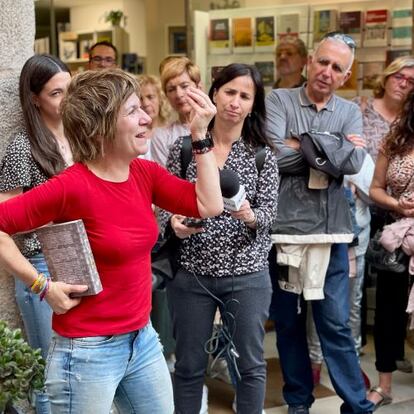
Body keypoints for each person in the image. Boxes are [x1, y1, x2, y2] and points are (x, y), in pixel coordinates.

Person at [0, 68, 223, 414]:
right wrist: (41, 285)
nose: (147, 117)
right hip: (87, 352)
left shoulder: (144, 174)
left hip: (143, 340)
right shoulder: (70, 186)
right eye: (132, 111)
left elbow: (209, 204)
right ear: (98, 126)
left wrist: (201, 137)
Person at [159, 63, 278, 414]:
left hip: (248, 275)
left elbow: (271, 215)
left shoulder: (261, 155)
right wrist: (174, 222)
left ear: (253, 105)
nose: (235, 102)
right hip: (192, 275)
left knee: (251, 366)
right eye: (229, 92)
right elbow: (164, 203)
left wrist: (253, 216)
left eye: (245, 96)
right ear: (213, 93)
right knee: (189, 367)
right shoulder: (185, 148)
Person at [265, 32, 374, 414]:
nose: (327, 72)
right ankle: (298, 402)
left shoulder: (349, 111)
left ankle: (356, 405)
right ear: (310, 61)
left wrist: (302, 143)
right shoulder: (277, 100)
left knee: (335, 325)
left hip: (333, 233)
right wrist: (332, 147)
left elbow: (355, 163)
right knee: (289, 327)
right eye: (323, 62)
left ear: (345, 76)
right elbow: (273, 158)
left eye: (337, 68)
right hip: (284, 232)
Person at [309, 55, 414, 384]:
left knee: (363, 295)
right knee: (352, 289)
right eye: (401, 77)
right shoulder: (359, 109)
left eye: (412, 82)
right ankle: (335, 358)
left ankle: (381, 356)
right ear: (387, 77)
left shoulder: (407, 121)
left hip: (390, 215)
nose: (405, 84)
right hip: (363, 210)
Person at [0, 53, 72, 414]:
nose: (66, 100)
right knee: (49, 369)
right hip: (39, 264)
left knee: (77, 365)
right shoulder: (22, 146)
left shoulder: (81, 134)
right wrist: (56, 217)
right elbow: (5, 218)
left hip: (80, 259)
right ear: (34, 98)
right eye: (56, 93)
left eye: (69, 90)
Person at [368, 88, 414, 410]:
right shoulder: (394, 141)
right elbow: (375, 189)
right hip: (395, 241)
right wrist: (398, 203)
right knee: (388, 314)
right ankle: (384, 386)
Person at [151, 57, 202, 167]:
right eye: (171, 89)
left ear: (199, 86)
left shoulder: (217, 128)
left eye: (184, 86)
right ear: (166, 95)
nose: (178, 94)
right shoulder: (162, 136)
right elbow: (163, 179)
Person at [137, 74, 172, 160]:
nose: (145, 103)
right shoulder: (132, 133)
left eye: (150, 97)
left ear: (161, 99)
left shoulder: (171, 132)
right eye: (140, 98)